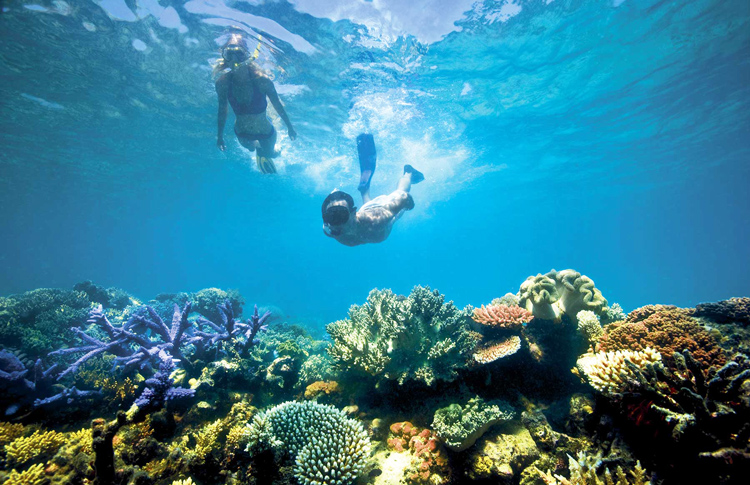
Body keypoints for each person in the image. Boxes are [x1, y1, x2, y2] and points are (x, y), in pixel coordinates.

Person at [214, 34, 297, 174]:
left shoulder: (262, 80)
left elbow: (277, 106)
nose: (234, 59)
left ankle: (276, 148)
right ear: (225, 57)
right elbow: (222, 111)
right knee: (251, 148)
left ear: (246, 56)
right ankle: (258, 149)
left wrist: (290, 127)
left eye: (239, 54)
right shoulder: (222, 83)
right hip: (242, 133)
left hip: (265, 131)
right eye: (229, 54)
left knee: (272, 154)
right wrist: (220, 136)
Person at [322, 134, 424, 246]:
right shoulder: (330, 229)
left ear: (353, 213)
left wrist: (409, 204)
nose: (337, 222)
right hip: (367, 216)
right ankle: (364, 190)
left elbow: (404, 197)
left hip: (379, 212)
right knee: (367, 215)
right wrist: (335, 198)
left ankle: (408, 173)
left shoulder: (377, 220)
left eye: (341, 215)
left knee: (401, 191)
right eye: (330, 216)